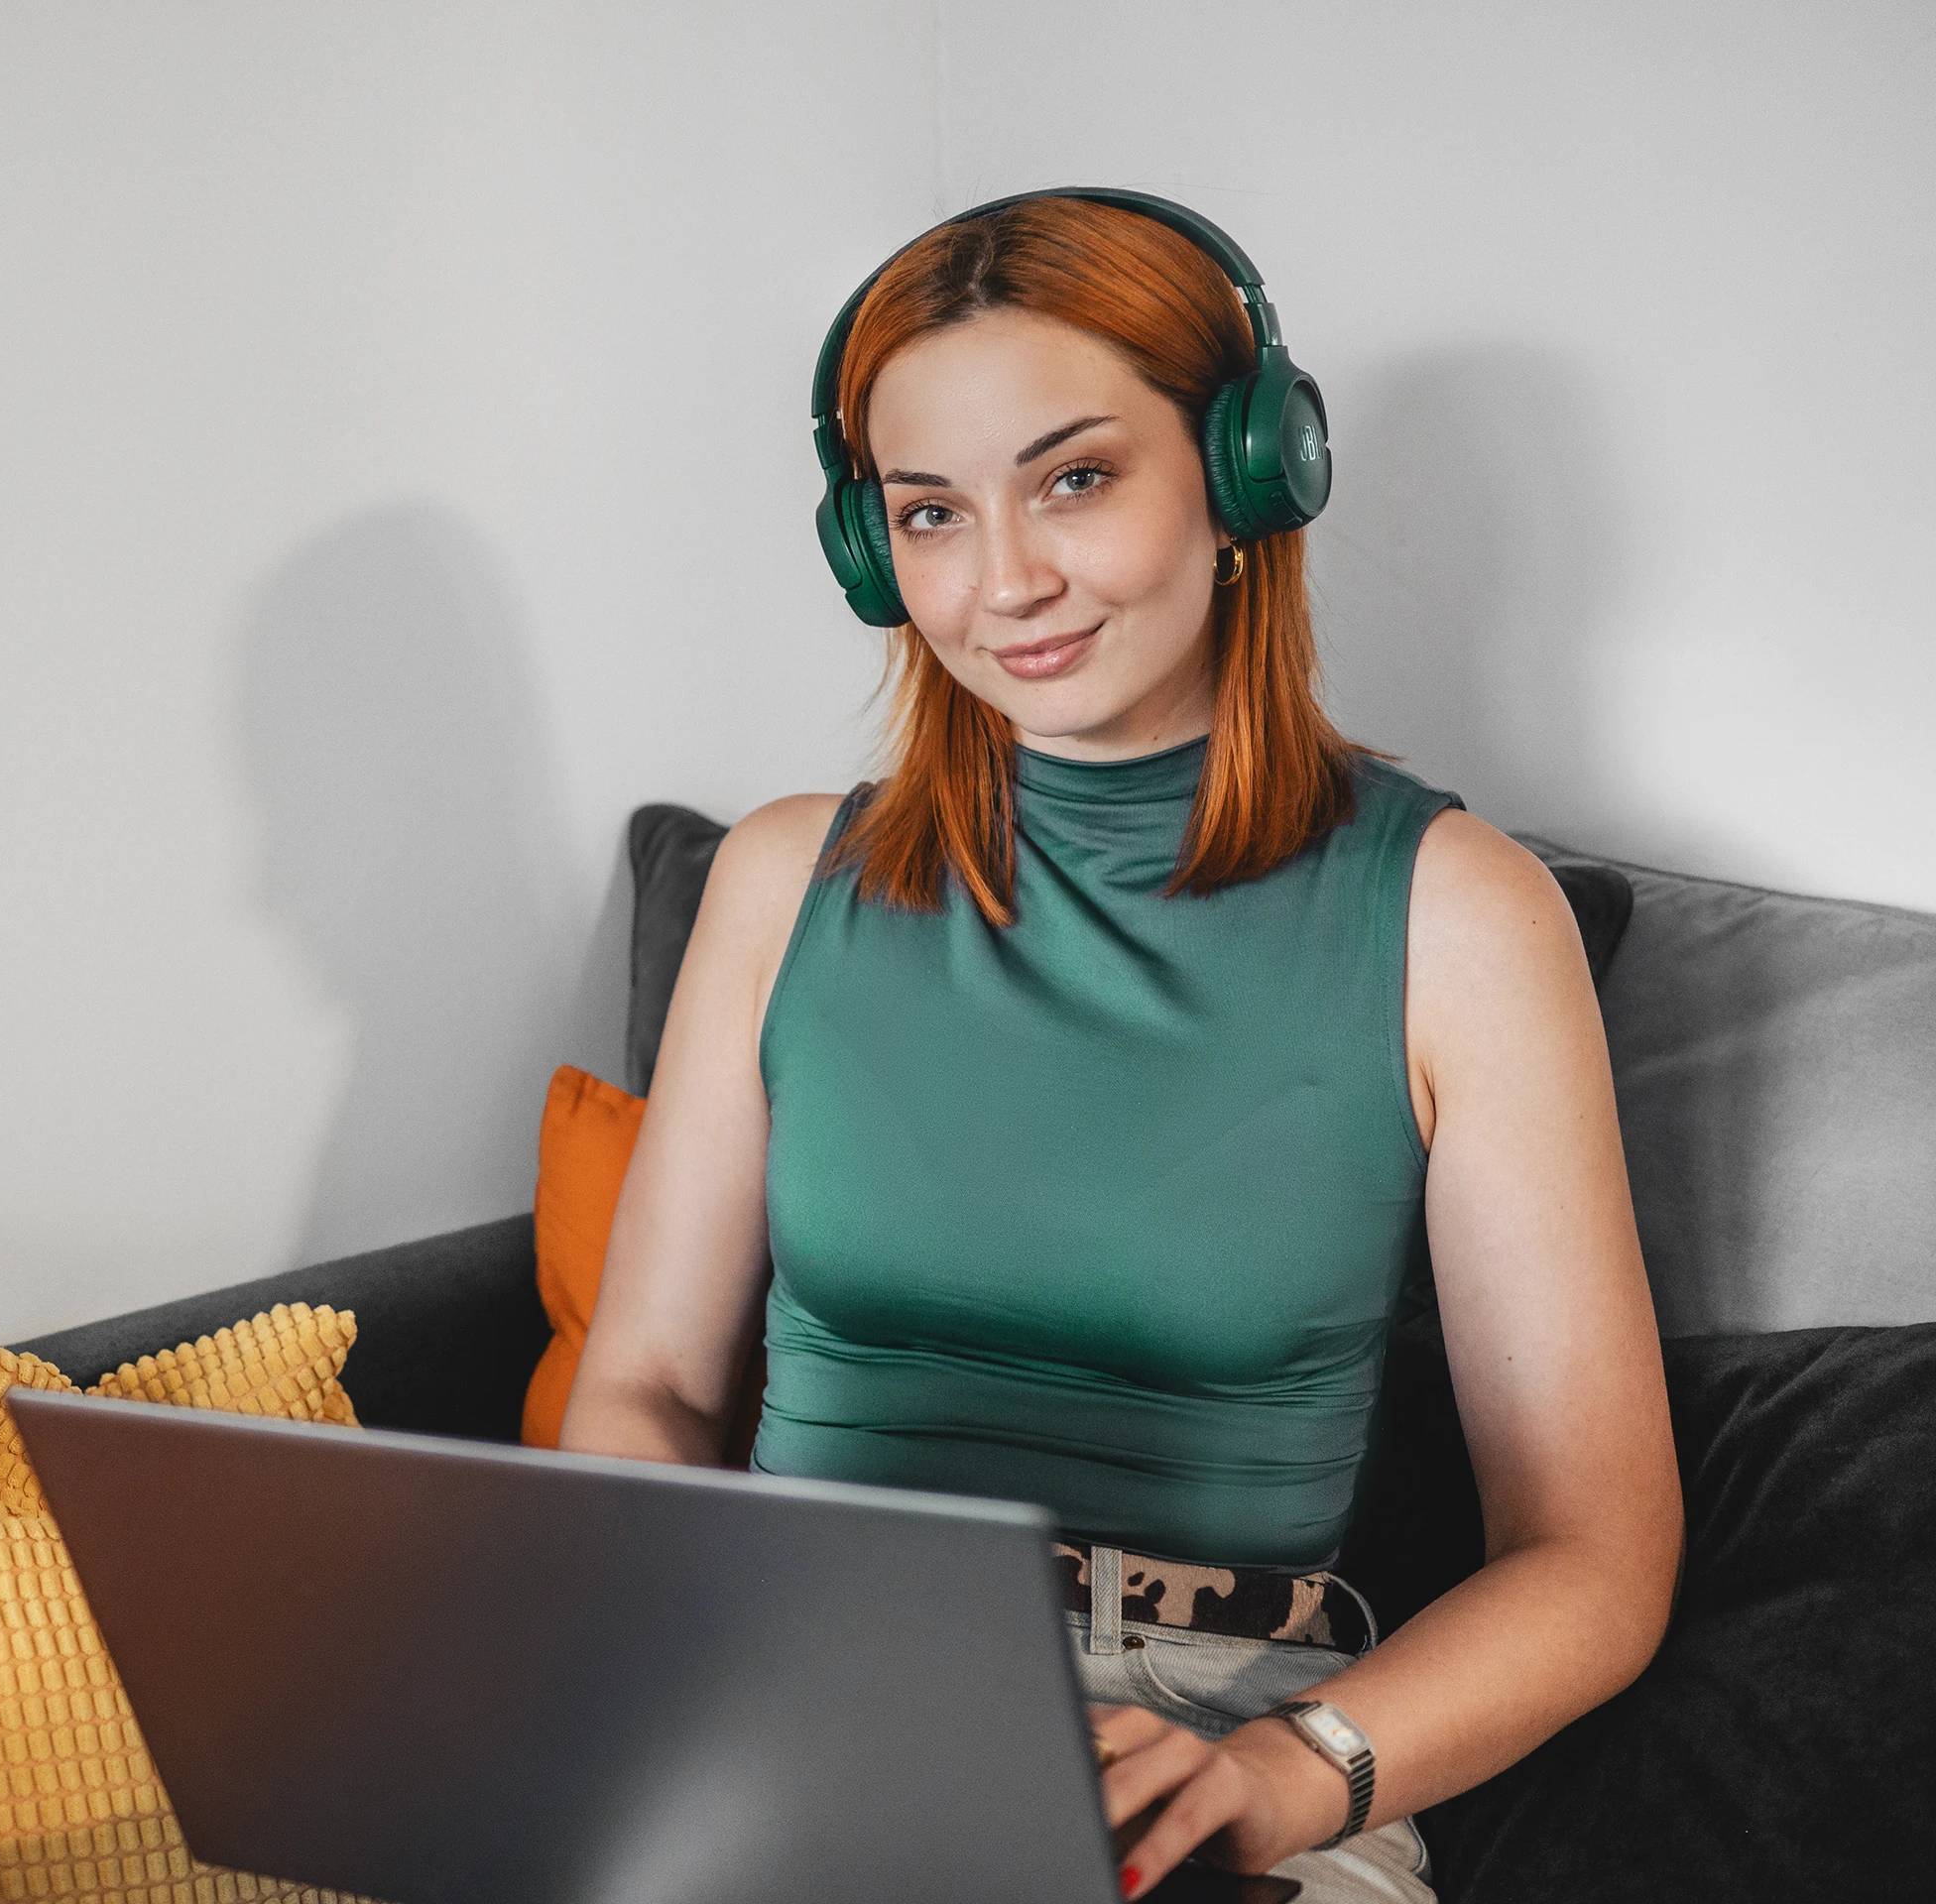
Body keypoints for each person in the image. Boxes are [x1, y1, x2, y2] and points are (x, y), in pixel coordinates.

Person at [558, 192, 1682, 1902]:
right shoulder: (786, 881)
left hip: (1212, 1736)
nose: (1002, 580)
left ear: (1243, 481)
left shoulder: (1460, 918)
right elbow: (646, 1386)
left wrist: (1290, 1782)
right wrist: (721, 1647)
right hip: (783, 1686)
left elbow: (1594, 1554)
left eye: (1075, 478)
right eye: (930, 512)